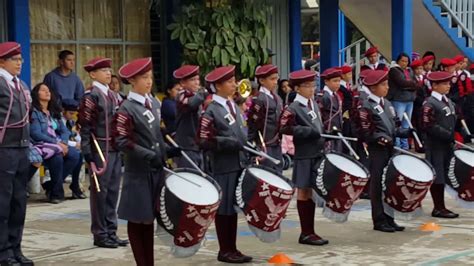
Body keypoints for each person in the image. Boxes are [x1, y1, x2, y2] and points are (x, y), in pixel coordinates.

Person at [114, 57, 179, 266]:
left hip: (155, 170)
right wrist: (147, 154)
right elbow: (122, 141)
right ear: (132, 80)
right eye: (144, 77)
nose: (149, 81)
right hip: (138, 172)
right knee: (137, 218)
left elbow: (156, 135)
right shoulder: (126, 108)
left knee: (150, 218)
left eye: (150, 77)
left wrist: (167, 150)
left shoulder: (153, 102)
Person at [198, 65, 252, 263]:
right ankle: (224, 249)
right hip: (223, 165)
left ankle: (233, 248)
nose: (234, 84)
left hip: (237, 163)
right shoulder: (211, 109)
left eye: (233, 80)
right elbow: (204, 140)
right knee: (224, 210)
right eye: (229, 82)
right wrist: (226, 142)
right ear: (218, 86)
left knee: (233, 209)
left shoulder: (233, 106)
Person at [78, 57, 128, 248]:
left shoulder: (114, 95)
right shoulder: (91, 96)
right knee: (100, 192)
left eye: (109, 69)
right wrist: (86, 151)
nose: (108, 73)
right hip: (99, 147)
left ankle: (111, 231)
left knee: (113, 191)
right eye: (103, 70)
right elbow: (85, 125)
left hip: (114, 148)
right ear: (92, 74)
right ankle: (100, 233)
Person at [356, 70, 412, 233]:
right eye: (383, 85)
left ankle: (389, 217)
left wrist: (402, 132)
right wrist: (379, 137)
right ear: (373, 87)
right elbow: (365, 131)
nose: (387, 87)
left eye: (387, 84)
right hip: (377, 149)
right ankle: (379, 219)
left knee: (389, 183)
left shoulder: (386, 104)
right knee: (377, 184)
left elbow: (393, 125)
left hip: (390, 148)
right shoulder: (366, 106)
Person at [279, 69, 329, 245]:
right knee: (304, 190)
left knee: (311, 191)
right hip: (303, 154)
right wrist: (304, 131)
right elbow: (284, 128)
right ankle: (306, 232)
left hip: (316, 152)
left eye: (313, 85)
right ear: (298, 88)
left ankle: (310, 231)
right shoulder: (293, 107)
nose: (312, 89)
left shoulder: (313, 104)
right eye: (307, 86)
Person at [0, 42, 33, 266]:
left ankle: (16, 248)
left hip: (21, 147)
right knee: (3, 202)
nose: (20, 63)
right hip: (4, 149)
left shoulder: (19, 84)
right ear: (2, 61)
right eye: (15, 60)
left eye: (20, 60)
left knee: (19, 202)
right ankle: (3, 252)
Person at [29, 83, 83, 203]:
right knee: (57, 157)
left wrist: (63, 142)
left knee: (75, 155)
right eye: (43, 90)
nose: (47, 92)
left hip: (57, 144)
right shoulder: (35, 112)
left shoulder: (53, 112)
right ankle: (56, 193)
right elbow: (36, 134)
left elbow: (64, 131)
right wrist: (56, 143)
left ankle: (50, 186)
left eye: (48, 90)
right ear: (36, 94)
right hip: (41, 144)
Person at [422, 71, 462, 219]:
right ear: (434, 85)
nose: (448, 86)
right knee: (437, 176)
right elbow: (427, 125)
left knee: (445, 174)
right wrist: (447, 134)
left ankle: (442, 206)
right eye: (444, 84)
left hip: (447, 144)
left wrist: (461, 132)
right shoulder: (429, 103)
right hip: (436, 145)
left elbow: (454, 119)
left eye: (448, 83)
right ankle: (438, 207)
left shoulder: (448, 101)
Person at [247, 64, 283, 172]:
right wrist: (254, 146)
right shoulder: (259, 99)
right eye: (272, 79)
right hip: (264, 144)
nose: (275, 82)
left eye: (276, 78)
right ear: (262, 81)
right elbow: (253, 124)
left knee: (278, 172)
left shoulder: (277, 97)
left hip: (276, 142)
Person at [174, 65, 207, 168]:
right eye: (193, 80)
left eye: (198, 79)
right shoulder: (181, 95)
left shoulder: (197, 96)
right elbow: (191, 104)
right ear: (183, 83)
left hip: (198, 146)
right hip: (186, 146)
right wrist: (206, 92)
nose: (197, 82)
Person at [387, 52, 419, 150]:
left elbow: (416, 83)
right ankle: (397, 145)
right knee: (398, 123)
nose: (405, 63)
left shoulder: (409, 71)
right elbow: (402, 83)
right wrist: (411, 85)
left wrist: (410, 85)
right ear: (398, 61)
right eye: (403, 61)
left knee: (406, 124)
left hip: (410, 100)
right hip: (398, 99)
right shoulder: (394, 70)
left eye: (406, 61)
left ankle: (404, 146)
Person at [61, 99, 86, 199]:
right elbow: (59, 137)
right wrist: (75, 144)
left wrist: (79, 142)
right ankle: (57, 182)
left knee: (79, 155)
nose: (72, 116)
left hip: (70, 146)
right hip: (60, 145)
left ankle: (75, 185)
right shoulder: (59, 121)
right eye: (70, 113)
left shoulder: (70, 122)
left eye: (74, 114)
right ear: (63, 110)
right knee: (75, 156)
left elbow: (75, 135)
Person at [318, 67, 343, 152]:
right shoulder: (323, 96)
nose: (338, 84)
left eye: (339, 81)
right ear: (326, 82)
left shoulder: (336, 95)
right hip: (327, 132)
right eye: (335, 81)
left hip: (337, 132)